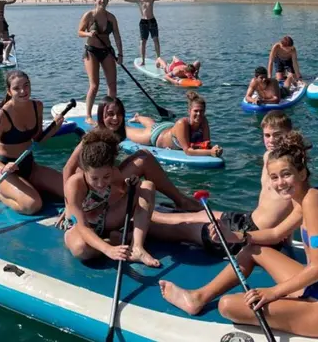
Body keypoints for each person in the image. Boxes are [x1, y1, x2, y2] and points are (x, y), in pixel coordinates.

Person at [160, 131, 318, 339]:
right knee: (254, 250)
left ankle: (203, 299)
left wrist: (273, 292)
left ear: (302, 173)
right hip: (317, 288)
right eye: (274, 177)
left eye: (286, 174)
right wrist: (236, 235)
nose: (280, 183)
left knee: (228, 306)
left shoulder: (313, 201)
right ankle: (198, 297)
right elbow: (276, 233)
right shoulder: (305, 198)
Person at [151, 111, 295, 255]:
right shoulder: (268, 156)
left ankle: (143, 222)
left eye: (277, 135)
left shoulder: (292, 170)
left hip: (254, 236)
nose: (271, 140)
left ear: (289, 134)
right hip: (247, 220)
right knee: (196, 214)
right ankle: (145, 215)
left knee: (184, 226)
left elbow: (298, 206)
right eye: (267, 135)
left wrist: (287, 242)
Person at [63, 96, 202, 211]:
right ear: (101, 116)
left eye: (119, 114)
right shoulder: (93, 138)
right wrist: (69, 206)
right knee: (144, 159)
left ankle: (180, 199)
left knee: (143, 154)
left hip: (102, 184)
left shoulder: (113, 136)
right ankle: (180, 200)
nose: (116, 118)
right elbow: (68, 168)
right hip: (93, 192)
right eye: (110, 114)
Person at [60, 128, 160, 268]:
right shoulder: (74, 185)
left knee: (147, 187)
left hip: (105, 220)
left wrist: (132, 185)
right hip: (79, 227)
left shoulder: (114, 173)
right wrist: (108, 250)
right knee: (81, 249)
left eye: (106, 177)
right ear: (84, 169)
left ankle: (136, 247)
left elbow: (123, 190)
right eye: (94, 178)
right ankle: (113, 241)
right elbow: (82, 227)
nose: (101, 183)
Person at [0, 70, 65, 215]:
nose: (23, 91)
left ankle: (27, 187)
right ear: (9, 91)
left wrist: (54, 128)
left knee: (69, 190)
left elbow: (38, 139)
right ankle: (2, 196)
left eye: (26, 86)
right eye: (16, 88)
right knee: (33, 205)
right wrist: (3, 168)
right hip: (3, 172)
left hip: (30, 167)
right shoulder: (1, 116)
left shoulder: (37, 106)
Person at [126, 91, 222, 158]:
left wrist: (215, 149)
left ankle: (138, 117)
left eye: (201, 111)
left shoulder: (204, 121)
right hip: (155, 135)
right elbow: (188, 151)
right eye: (195, 111)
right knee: (126, 130)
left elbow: (206, 143)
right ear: (189, 111)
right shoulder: (182, 123)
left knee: (151, 124)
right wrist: (210, 152)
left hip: (168, 127)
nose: (199, 114)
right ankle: (124, 124)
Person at [78, 0, 123, 126]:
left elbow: (117, 36)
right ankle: (88, 116)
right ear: (95, 0)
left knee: (112, 85)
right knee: (94, 85)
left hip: (107, 51)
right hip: (91, 51)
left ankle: (110, 114)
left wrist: (120, 54)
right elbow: (79, 32)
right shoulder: (89, 15)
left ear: (108, 0)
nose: (102, 1)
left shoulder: (111, 18)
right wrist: (88, 33)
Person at [121, 0, 167, 65]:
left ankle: (158, 59)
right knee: (143, 42)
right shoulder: (139, 0)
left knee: (156, 40)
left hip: (152, 21)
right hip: (143, 22)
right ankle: (143, 61)